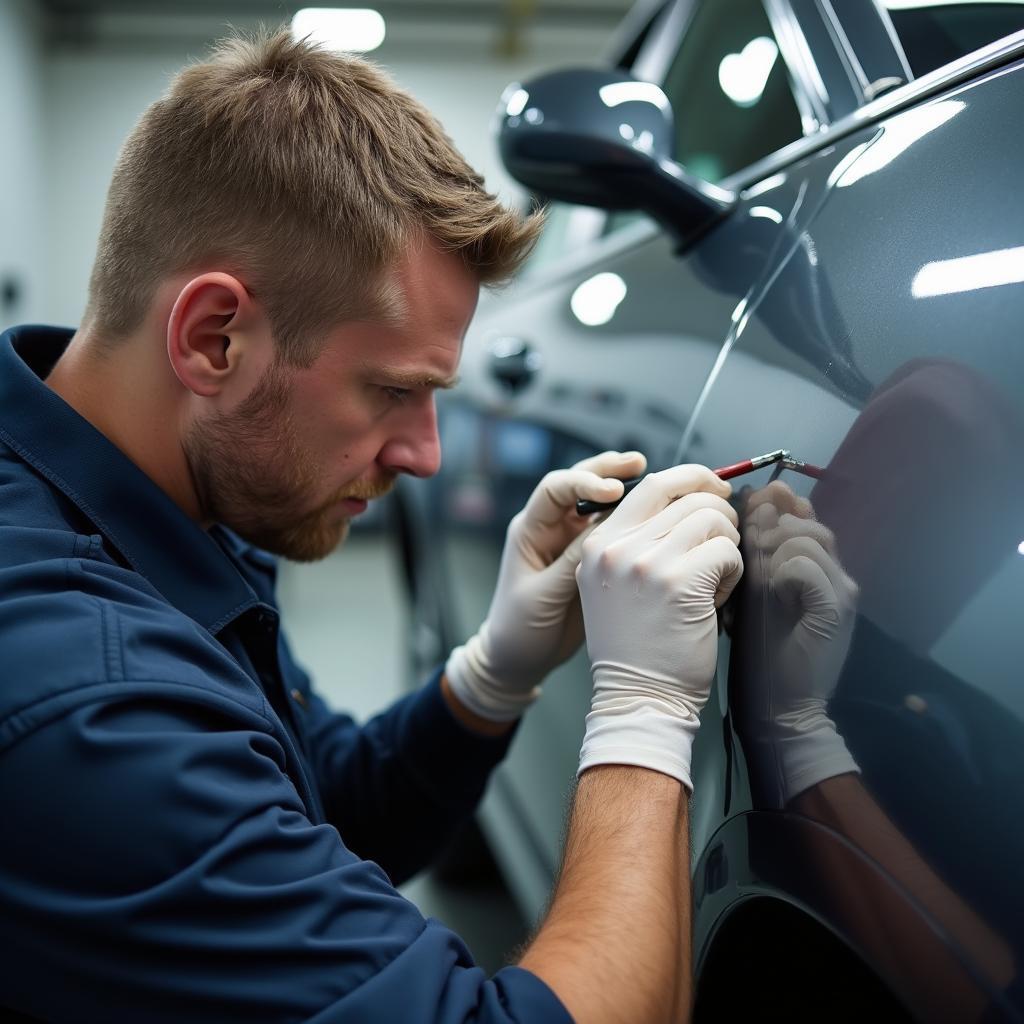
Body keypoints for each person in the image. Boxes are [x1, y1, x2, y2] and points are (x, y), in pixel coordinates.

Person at [0, 30, 743, 1024]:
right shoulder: (86, 702)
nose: (425, 455)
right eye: (392, 390)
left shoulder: (158, 503)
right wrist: (642, 710)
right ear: (212, 338)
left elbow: (319, 805)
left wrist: (493, 672)